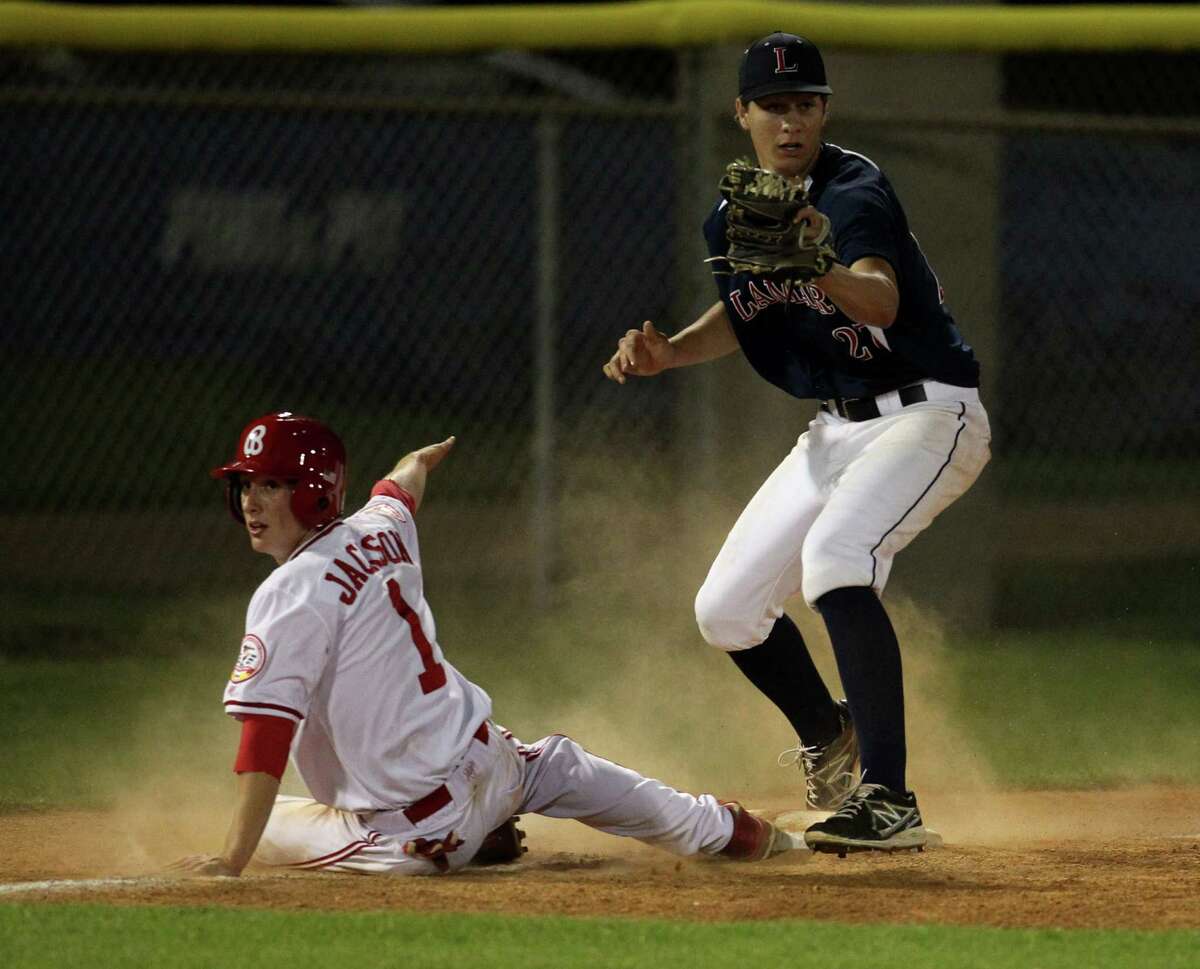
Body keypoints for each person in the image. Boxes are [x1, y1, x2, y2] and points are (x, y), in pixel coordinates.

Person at [602, 33, 991, 855]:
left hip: (928, 412)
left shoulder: (854, 190)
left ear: (824, 112)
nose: (791, 121)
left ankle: (888, 797)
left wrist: (817, 265)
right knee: (726, 609)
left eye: (805, 104)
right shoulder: (731, 217)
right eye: (773, 106)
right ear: (741, 113)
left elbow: (880, 301)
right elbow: (750, 311)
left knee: (837, 559)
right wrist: (671, 351)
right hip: (837, 427)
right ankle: (829, 732)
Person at [171, 411, 795, 877]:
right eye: (245, 485)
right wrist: (420, 459)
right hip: (495, 764)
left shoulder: (288, 593)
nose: (250, 501)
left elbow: (265, 737)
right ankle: (727, 830)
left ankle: (473, 839)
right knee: (557, 767)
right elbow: (401, 485)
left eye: (271, 485)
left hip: (419, 834)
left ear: (313, 490)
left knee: (265, 827)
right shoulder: (379, 528)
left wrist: (231, 860)